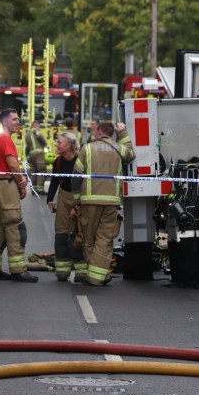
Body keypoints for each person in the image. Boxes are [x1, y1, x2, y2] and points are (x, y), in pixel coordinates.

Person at [72, 120, 134, 286]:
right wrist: (123, 133)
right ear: (111, 133)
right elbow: (131, 153)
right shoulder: (119, 148)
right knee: (105, 239)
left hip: (89, 201)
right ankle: (100, 274)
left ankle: (95, 275)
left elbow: (76, 177)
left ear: (99, 132)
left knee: (89, 238)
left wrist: (76, 201)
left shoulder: (87, 148)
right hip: (111, 202)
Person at [0, 108, 37, 283]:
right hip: (6, 185)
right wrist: (22, 183)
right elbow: (13, 165)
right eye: (15, 119)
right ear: (5, 122)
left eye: (18, 119)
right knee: (15, 228)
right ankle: (18, 271)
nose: (18, 122)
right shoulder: (5, 139)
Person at [46, 131, 83, 281]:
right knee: (61, 233)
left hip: (78, 198)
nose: (56, 145)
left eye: (59, 142)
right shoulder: (58, 162)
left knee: (77, 235)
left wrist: (77, 206)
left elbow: (85, 185)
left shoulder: (79, 162)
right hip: (63, 196)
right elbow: (54, 181)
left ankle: (81, 272)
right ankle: (62, 270)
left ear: (68, 146)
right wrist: (49, 199)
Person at [24, 120, 49, 194]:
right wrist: (47, 147)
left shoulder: (27, 134)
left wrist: (28, 157)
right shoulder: (36, 131)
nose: (39, 127)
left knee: (33, 172)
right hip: (39, 155)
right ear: (35, 125)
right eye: (38, 126)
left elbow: (26, 148)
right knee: (42, 171)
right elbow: (42, 140)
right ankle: (40, 189)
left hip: (31, 156)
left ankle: (33, 189)